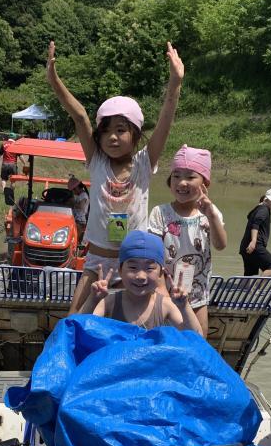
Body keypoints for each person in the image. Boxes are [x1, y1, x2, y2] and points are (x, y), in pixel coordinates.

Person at [46, 39, 184, 314]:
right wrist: (53, 79)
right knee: (75, 322)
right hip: (98, 261)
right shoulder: (97, 161)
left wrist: (175, 83)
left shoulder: (145, 162)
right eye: (106, 130)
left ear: (135, 134)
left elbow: (166, 120)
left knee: (139, 325)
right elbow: (80, 117)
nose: (112, 137)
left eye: (121, 130)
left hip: (136, 264)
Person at [149, 145, 227, 337]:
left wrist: (210, 215)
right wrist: (161, 291)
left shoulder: (210, 213)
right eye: (176, 176)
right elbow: (154, 256)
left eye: (190, 177)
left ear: (204, 184)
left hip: (197, 293)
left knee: (199, 340)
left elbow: (220, 244)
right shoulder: (160, 213)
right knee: (163, 340)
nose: (182, 182)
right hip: (165, 291)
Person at [80, 230, 202, 334]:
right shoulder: (109, 302)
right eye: (133, 268)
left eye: (149, 268)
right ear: (120, 271)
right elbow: (80, 329)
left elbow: (196, 338)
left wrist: (184, 306)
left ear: (161, 274)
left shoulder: (165, 305)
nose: (141, 276)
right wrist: (93, 299)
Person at [239, 188, 271, 276]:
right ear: (268, 199)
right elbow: (255, 224)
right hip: (255, 246)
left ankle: (245, 289)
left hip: (246, 246)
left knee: (250, 275)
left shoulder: (259, 208)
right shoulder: (264, 209)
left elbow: (251, 218)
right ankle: (255, 289)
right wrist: (253, 241)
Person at [67, 175, 89, 241]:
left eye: (73, 191)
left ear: (76, 188)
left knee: (74, 239)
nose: (73, 193)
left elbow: (81, 206)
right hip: (75, 220)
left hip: (80, 222)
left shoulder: (84, 195)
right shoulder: (79, 196)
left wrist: (73, 203)